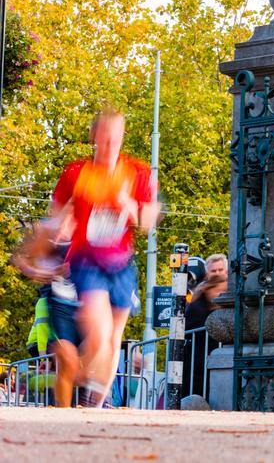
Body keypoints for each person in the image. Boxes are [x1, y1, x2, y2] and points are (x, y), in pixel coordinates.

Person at [49, 106, 160, 407]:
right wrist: (56, 233)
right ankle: (77, 370)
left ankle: (93, 404)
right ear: (94, 136)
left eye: (117, 136)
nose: (111, 143)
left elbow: (148, 221)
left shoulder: (137, 172)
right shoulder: (76, 172)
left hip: (122, 261)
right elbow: (55, 215)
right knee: (98, 328)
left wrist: (129, 206)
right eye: (105, 136)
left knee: (113, 338)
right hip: (86, 258)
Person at [13, 218, 82, 407]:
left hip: (80, 297)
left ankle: (76, 399)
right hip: (57, 307)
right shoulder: (50, 230)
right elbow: (22, 261)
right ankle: (63, 405)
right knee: (65, 358)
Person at [182, 274, 226, 397]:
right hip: (195, 363)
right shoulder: (198, 308)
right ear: (208, 290)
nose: (221, 294)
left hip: (203, 362)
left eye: (224, 291)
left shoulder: (211, 308)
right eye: (218, 290)